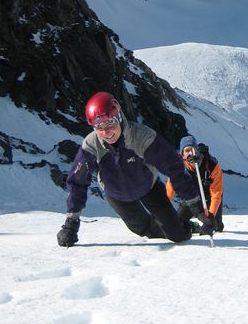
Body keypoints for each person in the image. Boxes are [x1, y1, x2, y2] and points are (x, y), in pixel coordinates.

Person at [56, 92, 215, 247]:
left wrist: (198, 210)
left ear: (119, 117)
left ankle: (182, 226)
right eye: (99, 127)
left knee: (178, 235)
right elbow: (77, 183)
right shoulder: (91, 146)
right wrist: (71, 223)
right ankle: (163, 226)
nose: (106, 132)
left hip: (149, 187)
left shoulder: (142, 137)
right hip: (117, 195)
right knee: (145, 231)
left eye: (110, 124)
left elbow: (174, 168)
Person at [166, 135, 224, 233]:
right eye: (187, 150)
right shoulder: (177, 167)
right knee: (178, 223)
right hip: (191, 198)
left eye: (192, 149)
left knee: (215, 226)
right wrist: (163, 210)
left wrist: (210, 217)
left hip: (210, 196)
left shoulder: (211, 164)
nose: (190, 153)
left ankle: (218, 223)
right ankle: (194, 226)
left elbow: (216, 194)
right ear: (182, 154)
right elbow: (169, 191)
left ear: (197, 150)